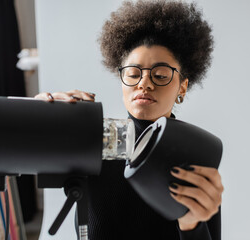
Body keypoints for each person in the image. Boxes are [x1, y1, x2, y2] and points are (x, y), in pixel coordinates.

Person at [35, 0, 224, 239]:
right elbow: (13, 155)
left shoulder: (195, 156)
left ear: (182, 87)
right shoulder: (91, 141)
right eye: (133, 74)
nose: (144, 83)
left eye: (161, 75)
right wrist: (38, 118)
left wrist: (192, 224)